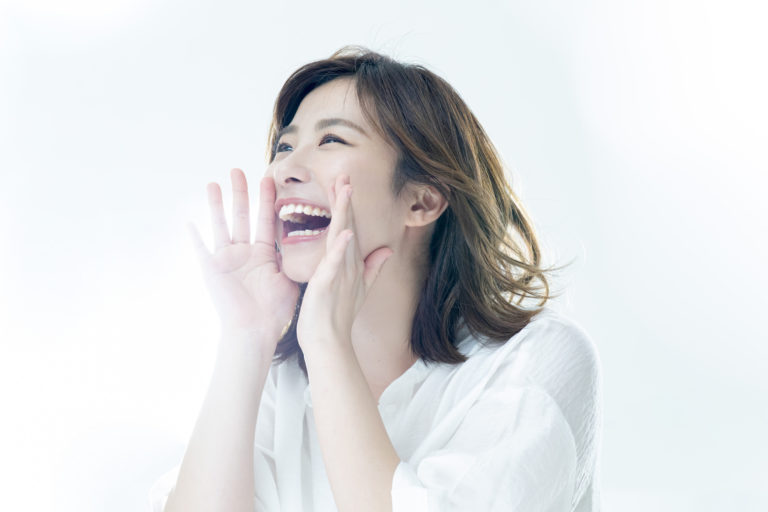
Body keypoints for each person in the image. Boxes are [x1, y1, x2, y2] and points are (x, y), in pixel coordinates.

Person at [150, 46, 602, 512]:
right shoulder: (275, 379)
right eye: (284, 147)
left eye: (331, 140)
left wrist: (328, 342)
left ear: (422, 201)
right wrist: (246, 337)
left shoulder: (534, 359)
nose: (285, 169)